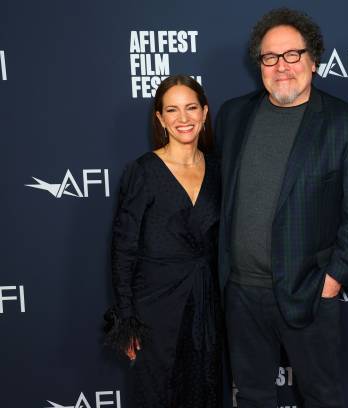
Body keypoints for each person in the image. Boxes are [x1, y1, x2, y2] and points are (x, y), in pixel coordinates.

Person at [215, 8, 348, 407]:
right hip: (241, 292)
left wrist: (332, 281)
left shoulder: (347, 124)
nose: (281, 66)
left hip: (310, 290)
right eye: (270, 57)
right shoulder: (233, 115)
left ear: (313, 60)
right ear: (259, 65)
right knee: (251, 397)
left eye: (292, 54)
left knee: (322, 397)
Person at [103, 75, 222, 408]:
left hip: (207, 306)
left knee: (205, 391)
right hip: (155, 309)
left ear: (204, 113)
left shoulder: (219, 170)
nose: (183, 118)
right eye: (172, 110)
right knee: (158, 394)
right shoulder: (143, 171)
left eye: (191, 108)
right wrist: (127, 320)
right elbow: (123, 249)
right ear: (160, 118)